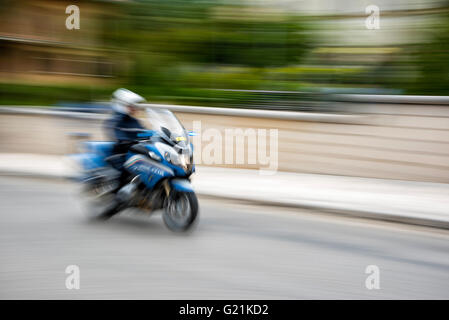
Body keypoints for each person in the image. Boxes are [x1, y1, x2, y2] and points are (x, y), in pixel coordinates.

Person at [104, 88, 146, 194]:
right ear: (122, 105)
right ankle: (118, 196)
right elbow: (115, 133)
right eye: (132, 106)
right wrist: (124, 140)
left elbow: (144, 132)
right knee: (127, 169)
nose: (135, 108)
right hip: (120, 153)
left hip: (135, 151)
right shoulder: (116, 120)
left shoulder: (134, 121)